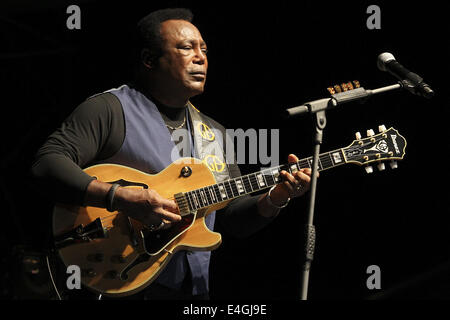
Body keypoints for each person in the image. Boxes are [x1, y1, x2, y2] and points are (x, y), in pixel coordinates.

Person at [31, 8, 313, 300]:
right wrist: (119, 197)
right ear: (150, 60)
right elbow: (46, 165)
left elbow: (231, 218)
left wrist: (276, 198)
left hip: (191, 291)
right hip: (119, 279)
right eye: (186, 47)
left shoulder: (215, 135)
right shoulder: (110, 109)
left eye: (203, 49)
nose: (200, 56)